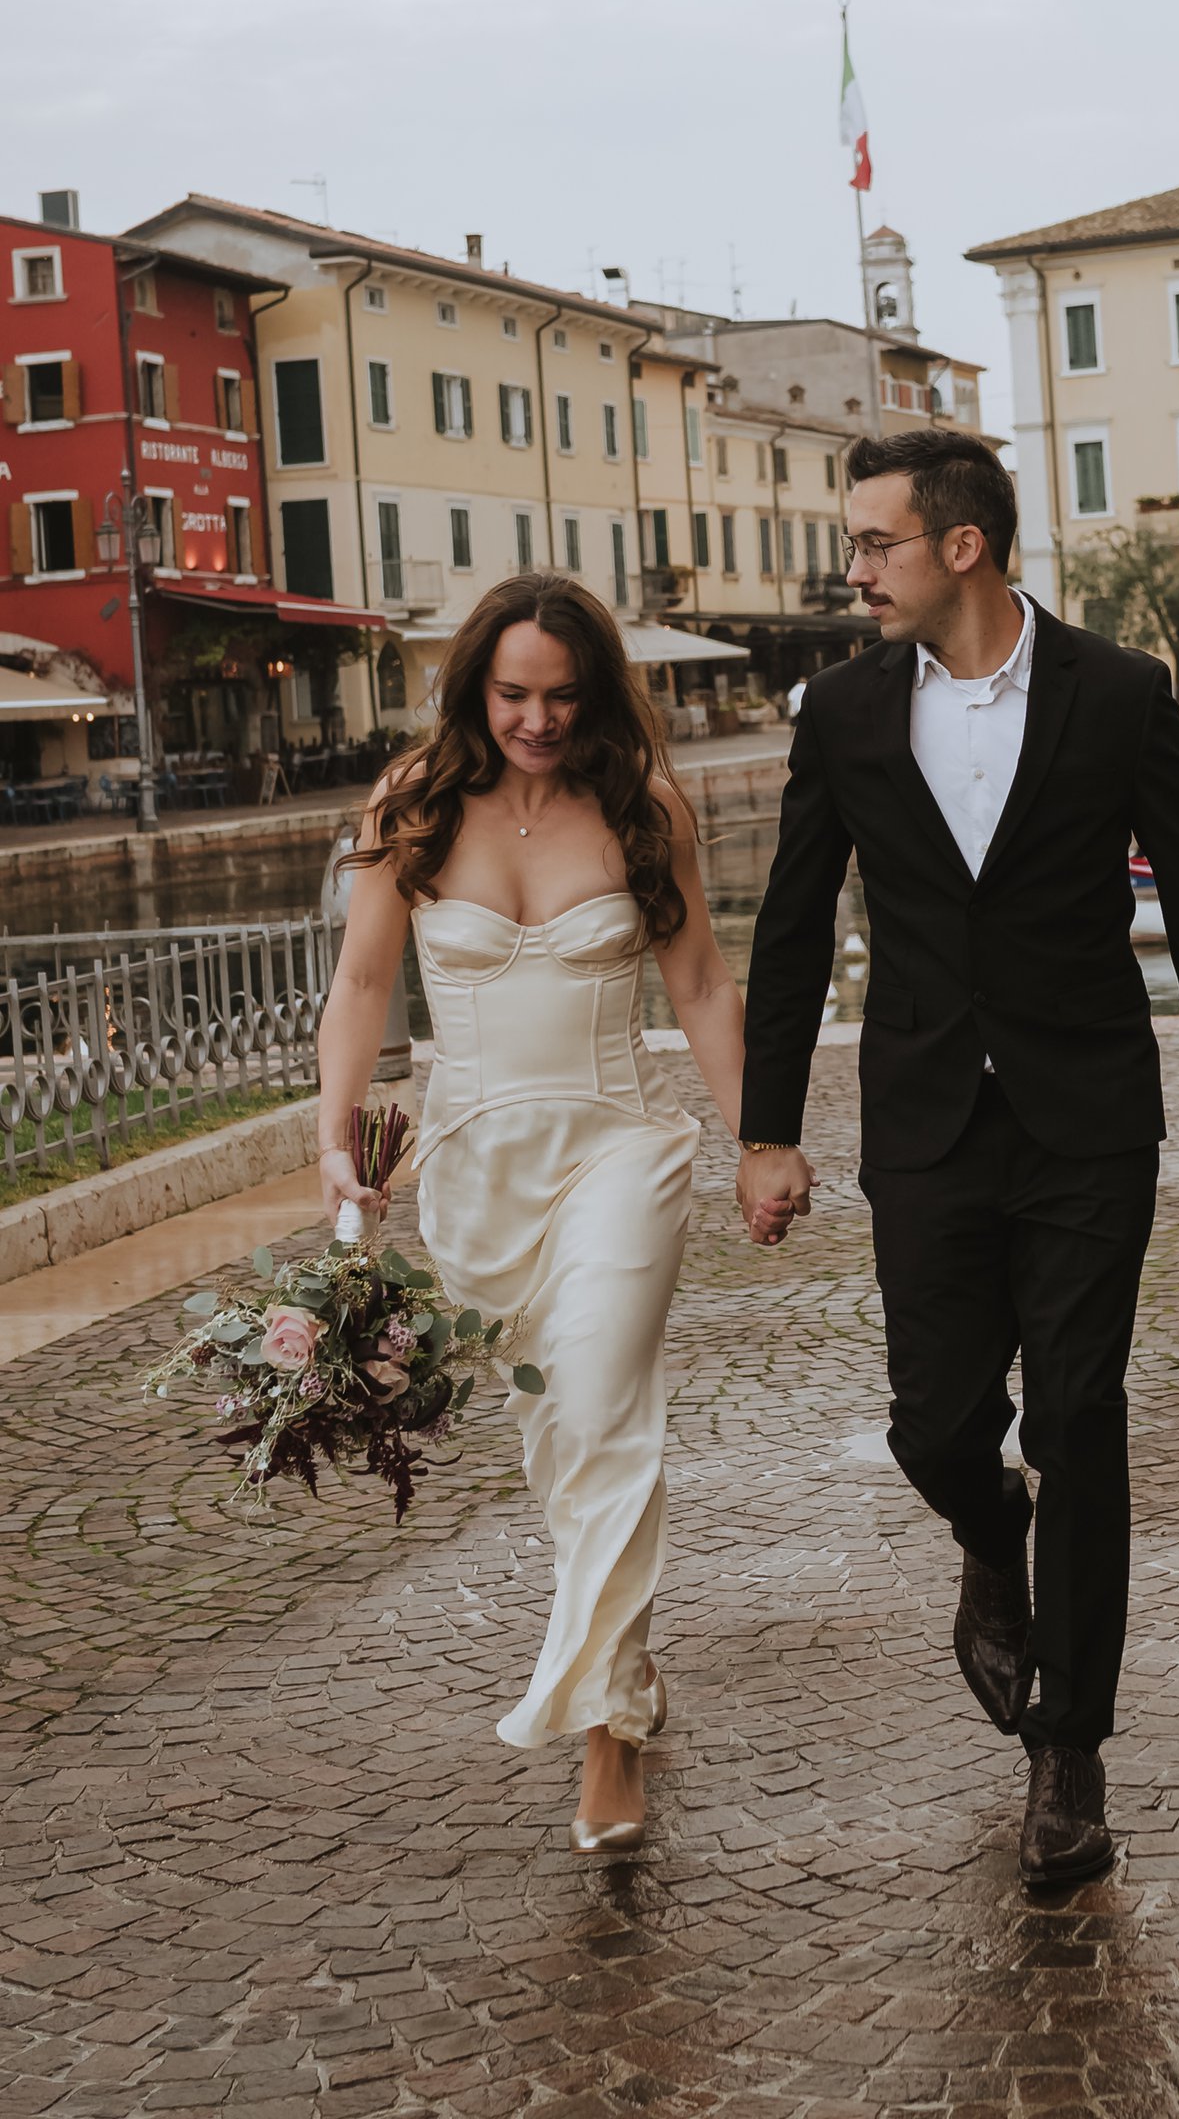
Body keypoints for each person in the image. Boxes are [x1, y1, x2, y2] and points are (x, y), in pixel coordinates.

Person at [736, 430, 1179, 1889]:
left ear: (960, 545)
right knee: (935, 1426)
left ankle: (1067, 1756)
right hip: (922, 1121)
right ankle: (992, 1529)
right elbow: (792, 927)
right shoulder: (842, 711)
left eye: (876, 544)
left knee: (1081, 1416)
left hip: (1087, 1117)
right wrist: (769, 1132)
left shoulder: (1120, 693)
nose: (855, 572)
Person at [317, 571, 745, 1857]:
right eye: (513, 694)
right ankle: (631, 1667)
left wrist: (762, 1141)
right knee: (559, 1435)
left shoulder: (643, 808)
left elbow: (701, 983)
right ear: (476, 690)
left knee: (605, 1404)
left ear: (596, 695)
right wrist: (336, 1140)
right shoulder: (412, 805)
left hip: (621, 1150)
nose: (538, 720)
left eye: (562, 696)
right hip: (475, 1171)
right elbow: (363, 982)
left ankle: (607, 1733)